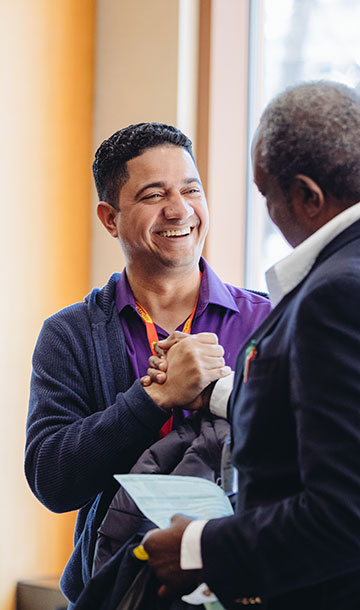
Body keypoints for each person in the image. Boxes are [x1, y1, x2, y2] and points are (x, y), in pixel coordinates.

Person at [24, 122, 271, 607]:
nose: (179, 210)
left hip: (247, 586)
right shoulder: (71, 334)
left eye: (190, 190)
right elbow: (53, 480)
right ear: (110, 218)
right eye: (154, 195)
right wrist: (153, 397)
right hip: (118, 592)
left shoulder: (268, 320)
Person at [143, 81, 360, 610]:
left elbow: (345, 512)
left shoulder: (333, 294)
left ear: (308, 196)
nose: (177, 210)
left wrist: (197, 547)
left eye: (266, 193)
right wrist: (213, 392)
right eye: (153, 195)